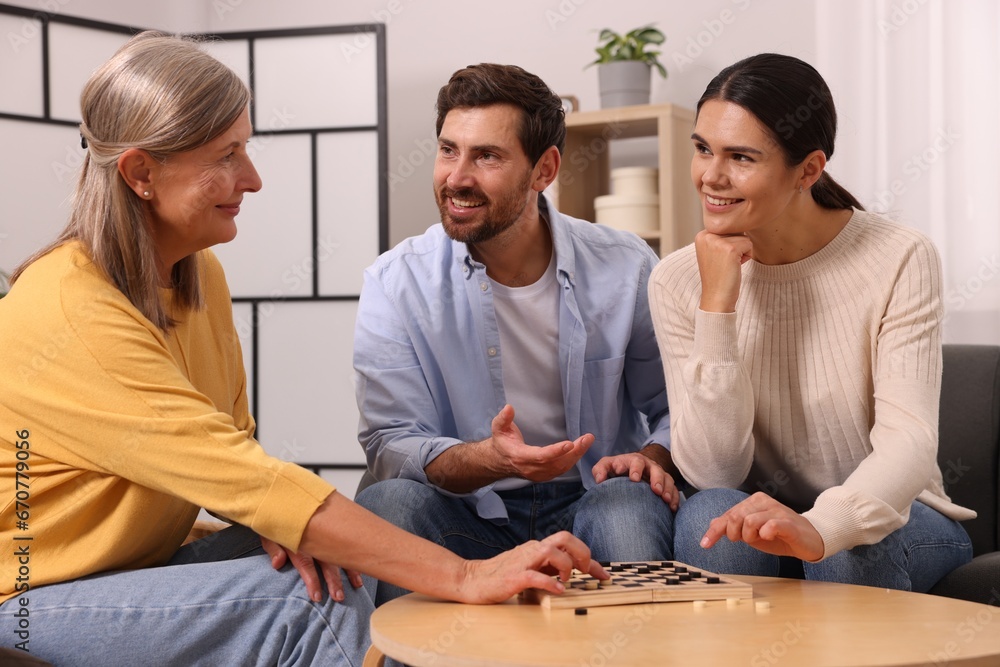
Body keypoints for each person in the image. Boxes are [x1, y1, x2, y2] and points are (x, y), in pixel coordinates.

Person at [0, 33, 608, 667]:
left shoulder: (195, 274)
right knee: (313, 598)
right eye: (227, 155)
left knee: (344, 561)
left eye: (246, 148)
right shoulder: (71, 310)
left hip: (130, 570)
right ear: (141, 173)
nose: (253, 179)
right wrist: (466, 575)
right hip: (27, 601)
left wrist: (295, 526)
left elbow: (236, 456)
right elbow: (244, 478)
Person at [353, 63, 678, 607]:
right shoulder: (395, 282)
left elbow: (674, 407)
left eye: (487, 156)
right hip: (465, 510)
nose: (457, 177)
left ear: (543, 169)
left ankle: (633, 646)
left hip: (593, 495)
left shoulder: (625, 266)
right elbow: (390, 442)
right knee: (389, 504)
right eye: (448, 150)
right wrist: (491, 459)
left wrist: (653, 456)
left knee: (628, 508)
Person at [648, 53, 974, 591]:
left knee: (842, 555)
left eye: (741, 157)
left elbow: (909, 443)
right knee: (711, 517)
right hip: (764, 512)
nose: (711, 176)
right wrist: (717, 307)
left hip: (897, 515)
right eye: (703, 148)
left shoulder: (899, 256)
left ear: (808, 169)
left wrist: (821, 527)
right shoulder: (678, 280)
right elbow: (714, 472)